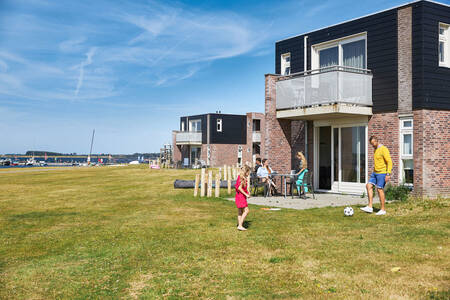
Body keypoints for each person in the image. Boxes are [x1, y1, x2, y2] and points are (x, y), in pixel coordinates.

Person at [361, 136, 393, 215]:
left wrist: (388, 174)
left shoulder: (383, 149)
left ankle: (383, 209)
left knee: (379, 190)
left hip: (382, 173)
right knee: (368, 186)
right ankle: (370, 207)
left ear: (377, 141)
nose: (372, 145)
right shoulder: (375, 149)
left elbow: (389, 161)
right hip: (375, 172)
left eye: (373, 143)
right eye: (371, 144)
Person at [235, 165, 251, 231]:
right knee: (246, 211)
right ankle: (240, 225)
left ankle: (240, 225)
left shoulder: (241, 177)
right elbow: (239, 188)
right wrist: (246, 194)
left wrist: (248, 192)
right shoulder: (242, 178)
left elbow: (243, 188)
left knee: (240, 212)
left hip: (239, 196)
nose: (249, 174)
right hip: (241, 197)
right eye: (248, 172)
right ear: (246, 172)